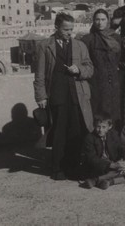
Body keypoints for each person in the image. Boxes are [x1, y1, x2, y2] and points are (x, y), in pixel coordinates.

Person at [34, 13, 94, 180]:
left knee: (75, 132)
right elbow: (39, 74)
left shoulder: (80, 46)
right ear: (57, 28)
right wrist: (41, 96)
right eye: (66, 29)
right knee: (59, 133)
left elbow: (90, 69)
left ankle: (73, 167)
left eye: (71, 29)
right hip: (57, 96)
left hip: (77, 96)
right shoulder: (45, 46)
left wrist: (79, 70)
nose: (70, 33)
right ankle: (57, 169)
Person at [81, 9, 122, 123]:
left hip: (113, 81)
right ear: (93, 21)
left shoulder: (116, 38)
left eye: (103, 19)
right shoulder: (88, 39)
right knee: (98, 111)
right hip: (96, 82)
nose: (100, 22)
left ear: (108, 21)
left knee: (114, 110)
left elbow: (119, 57)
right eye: (97, 19)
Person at [80, 117, 125, 190]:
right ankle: (106, 180)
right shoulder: (89, 138)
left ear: (110, 127)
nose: (100, 130)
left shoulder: (113, 134)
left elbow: (123, 147)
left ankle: (100, 181)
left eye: (104, 127)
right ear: (94, 126)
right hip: (98, 166)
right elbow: (92, 159)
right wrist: (111, 165)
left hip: (110, 163)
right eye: (98, 127)